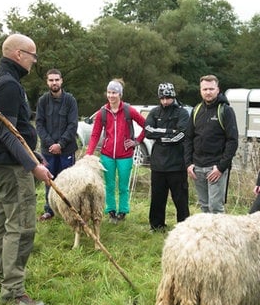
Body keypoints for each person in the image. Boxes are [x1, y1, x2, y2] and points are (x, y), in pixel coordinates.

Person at [0, 33, 53, 305]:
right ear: (18, 55)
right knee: (21, 225)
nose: (34, 61)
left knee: (2, 218)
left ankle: (1, 274)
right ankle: (13, 291)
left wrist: (34, 154)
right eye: (32, 55)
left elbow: (13, 133)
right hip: (13, 168)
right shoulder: (10, 85)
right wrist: (33, 166)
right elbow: (8, 133)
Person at [85, 78, 145, 223]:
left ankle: (122, 212)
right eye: (109, 92)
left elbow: (146, 125)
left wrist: (137, 141)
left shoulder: (128, 110)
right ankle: (111, 211)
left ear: (120, 94)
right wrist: (89, 153)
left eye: (114, 92)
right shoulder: (102, 112)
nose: (111, 95)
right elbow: (95, 134)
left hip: (125, 155)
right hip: (107, 155)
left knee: (123, 186)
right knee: (109, 185)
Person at [184, 74, 239, 214]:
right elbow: (189, 138)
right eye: (205, 89)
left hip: (215, 168)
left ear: (218, 90)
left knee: (215, 207)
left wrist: (221, 167)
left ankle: (222, 235)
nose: (208, 92)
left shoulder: (225, 111)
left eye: (211, 89)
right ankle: (208, 236)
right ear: (200, 90)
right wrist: (188, 164)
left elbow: (232, 141)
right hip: (197, 168)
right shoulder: (196, 111)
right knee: (204, 207)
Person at [144, 82, 190, 232]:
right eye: (162, 98)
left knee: (180, 199)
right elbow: (148, 131)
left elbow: (182, 134)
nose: (165, 101)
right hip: (158, 164)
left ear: (173, 96)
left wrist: (162, 134)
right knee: (157, 197)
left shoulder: (182, 113)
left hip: (177, 164)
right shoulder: (154, 112)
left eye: (168, 98)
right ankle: (156, 226)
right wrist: (169, 131)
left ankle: (184, 227)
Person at [36, 69, 78, 221]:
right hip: (47, 151)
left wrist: (60, 144)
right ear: (47, 82)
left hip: (66, 149)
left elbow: (73, 125)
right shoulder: (42, 101)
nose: (54, 83)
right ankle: (50, 210)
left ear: (61, 81)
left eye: (56, 80)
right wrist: (51, 144)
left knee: (67, 181)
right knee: (49, 180)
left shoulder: (70, 100)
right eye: (51, 80)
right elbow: (39, 125)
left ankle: (68, 210)